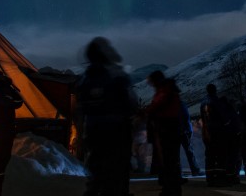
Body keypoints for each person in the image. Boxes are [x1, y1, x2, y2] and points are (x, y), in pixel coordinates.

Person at [75, 37, 138, 196]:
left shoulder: (85, 78)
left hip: (93, 130)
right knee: (118, 170)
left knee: (97, 171)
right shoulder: (116, 74)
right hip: (117, 130)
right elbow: (131, 102)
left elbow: (80, 107)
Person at [146, 70, 183, 196]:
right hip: (170, 128)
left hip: (167, 128)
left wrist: (145, 112)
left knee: (169, 160)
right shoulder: (168, 90)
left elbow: (157, 105)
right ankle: (171, 188)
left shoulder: (164, 91)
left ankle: (171, 189)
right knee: (170, 160)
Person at [200, 83, 228, 186]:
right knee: (220, 154)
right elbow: (223, 117)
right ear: (215, 90)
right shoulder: (217, 102)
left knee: (209, 155)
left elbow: (203, 118)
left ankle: (210, 177)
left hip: (207, 131)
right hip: (218, 131)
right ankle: (220, 177)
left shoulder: (203, 103)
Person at [179, 100, 202, 176]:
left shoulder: (173, 105)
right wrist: (188, 130)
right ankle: (195, 169)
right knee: (189, 151)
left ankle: (178, 172)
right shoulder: (182, 104)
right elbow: (186, 118)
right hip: (184, 131)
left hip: (179, 131)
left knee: (177, 153)